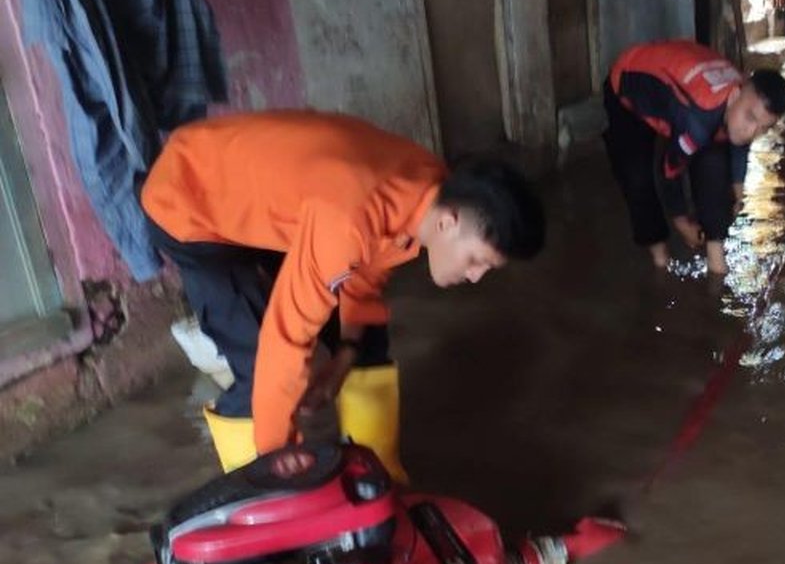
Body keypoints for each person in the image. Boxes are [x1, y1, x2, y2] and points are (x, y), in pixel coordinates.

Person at [141, 111, 545, 480]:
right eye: (477, 261)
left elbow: (367, 270)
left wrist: (345, 355)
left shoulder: (428, 189)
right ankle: (258, 494)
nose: (475, 277)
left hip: (276, 202)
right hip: (191, 199)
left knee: (366, 329)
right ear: (449, 223)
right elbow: (287, 335)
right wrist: (277, 452)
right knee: (257, 360)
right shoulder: (349, 219)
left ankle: (378, 474)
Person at [603, 40, 785, 275]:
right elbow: (669, 172)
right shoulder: (699, 120)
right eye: (750, 118)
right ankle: (660, 259)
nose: (752, 132)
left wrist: (737, 193)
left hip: (679, 84)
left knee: (714, 161)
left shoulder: (742, 99)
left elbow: (740, 146)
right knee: (637, 176)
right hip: (629, 83)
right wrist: (682, 224)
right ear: (733, 96)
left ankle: (716, 259)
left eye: (764, 128)